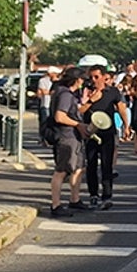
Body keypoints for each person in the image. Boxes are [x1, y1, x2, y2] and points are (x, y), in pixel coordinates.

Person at [82, 65, 131, 210]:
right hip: (90, 131)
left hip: (108, 132)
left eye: (96, 77)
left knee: (106, 165)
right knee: (91, 164)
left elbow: (121, 108)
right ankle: (93, 194)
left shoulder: (113, 91)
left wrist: (126, 126)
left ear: (104, 77)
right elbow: (80, 110)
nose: (94, 80)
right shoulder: (86, 91)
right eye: (91, 77)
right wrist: (90, 100)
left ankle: (107, 195)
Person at [48, 67, 91, 216]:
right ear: (76, 79)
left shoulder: (63, 93)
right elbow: (60, 116)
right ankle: (56, 205)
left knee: (78, 167)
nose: (83, 82)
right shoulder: (65, 95)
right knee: (62, 170)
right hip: (67, 137)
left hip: (72, 137)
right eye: (82, 79)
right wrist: (78, 124)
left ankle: (75, 199)